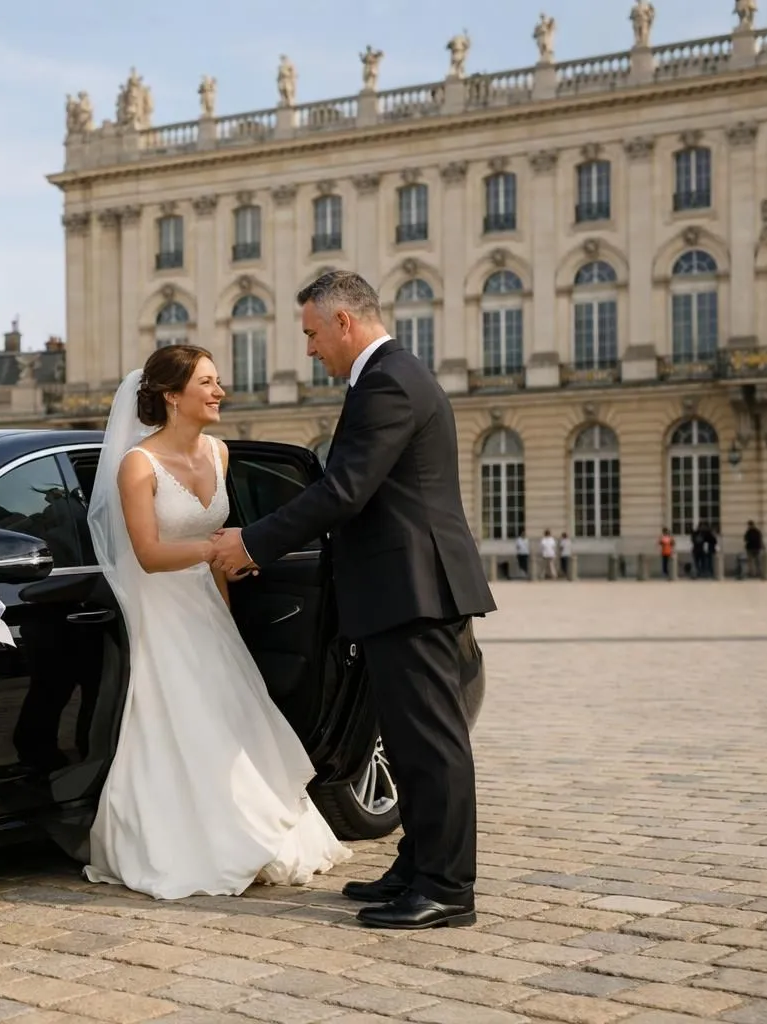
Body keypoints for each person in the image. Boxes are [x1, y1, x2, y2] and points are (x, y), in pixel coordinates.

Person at [212, 270, 496, 930]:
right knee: (405, 739)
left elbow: (343, 491)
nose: (310, 349)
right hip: (401, 586)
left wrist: (252, 543)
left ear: (344, 323)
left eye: (312, 333)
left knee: (431, 743)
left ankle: (448, 888)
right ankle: (418, 863)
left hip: (416, 587)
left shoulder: (390, 379)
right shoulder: (385, 377)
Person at [83, 344, 351, 900]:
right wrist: (215, 549)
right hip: (161, 614)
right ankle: (202, 840)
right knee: (184, 726)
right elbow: (150, 555)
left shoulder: (220, 453)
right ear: (172, 396)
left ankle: (259, 828)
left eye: (217, 380)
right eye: (206, 382)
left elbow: (223, 557)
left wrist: (227, 617)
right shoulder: (138, 464)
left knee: (234, 722)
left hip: (209, 609)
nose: (219, 390)